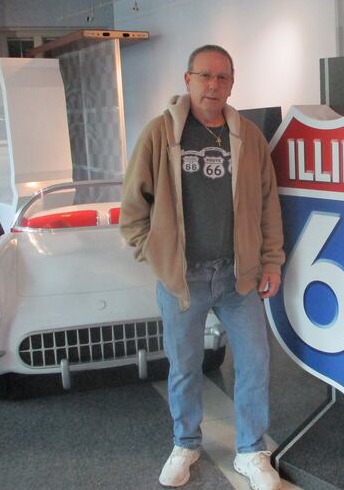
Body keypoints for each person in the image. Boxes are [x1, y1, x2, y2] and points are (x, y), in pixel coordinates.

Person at [119, 44, 285, 490]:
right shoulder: (160, 133)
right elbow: (133, 205)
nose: (213, 86)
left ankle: (252, 452)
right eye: (205, 76)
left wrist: (270, 261)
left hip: (239, 276)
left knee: (254, 363)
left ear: (232, 83)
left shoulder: (248, 136)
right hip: (183, 279)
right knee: (185, 366)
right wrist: (151, 251)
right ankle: (185, 443)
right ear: (187, 79)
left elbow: (268, 204)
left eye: (223, 78)